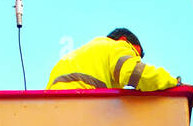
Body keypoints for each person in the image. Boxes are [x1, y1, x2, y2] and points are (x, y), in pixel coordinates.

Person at [47, 28, 181, 94]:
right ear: (123, 40)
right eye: (134, 55)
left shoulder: (74, 56)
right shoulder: (116, 46)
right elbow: (134, 73)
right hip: (83, 107)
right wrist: (172, 82)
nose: (134, 59)